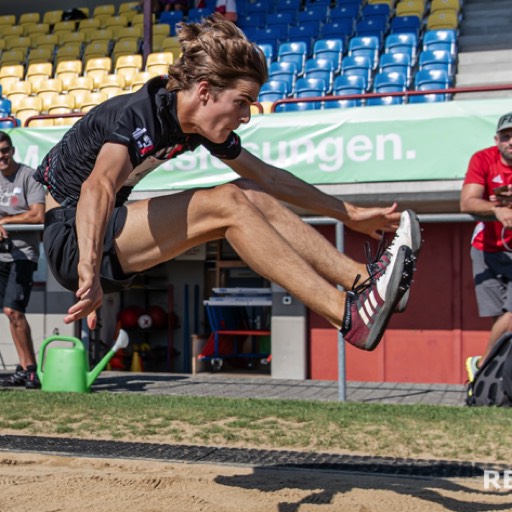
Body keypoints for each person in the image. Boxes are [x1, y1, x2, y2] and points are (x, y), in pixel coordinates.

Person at [35, 14, 421, 354]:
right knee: (228, 202)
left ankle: (366, 282)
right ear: (204, 91)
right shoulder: (142, 113)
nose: (246, 117)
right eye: (242, 102)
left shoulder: (196, 125)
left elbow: (268, 176)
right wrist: (87, 271)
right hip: (73, 239)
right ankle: (346, 314)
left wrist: (349, 213)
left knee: (252, 193)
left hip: (102, 232)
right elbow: (98, 186)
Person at [461, 111, 512, 382]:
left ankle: (481, 367)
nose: (511, 141)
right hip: (486, 249)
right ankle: (498, 380)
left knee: (511, 317)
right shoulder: (483, 159)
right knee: (501, 322)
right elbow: (467, 202)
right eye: (506, 136)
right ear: (497, 139)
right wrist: (497, 209)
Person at [0, 131, 45, 389]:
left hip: (22, 255)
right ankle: (22, 367)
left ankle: (30, 370)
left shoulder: (29, 176)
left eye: (5, 150)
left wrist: (4, 221)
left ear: (13, 150)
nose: (1, 156)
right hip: (1, 255)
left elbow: (38, 215)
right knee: (11, 314)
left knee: (13, 310)